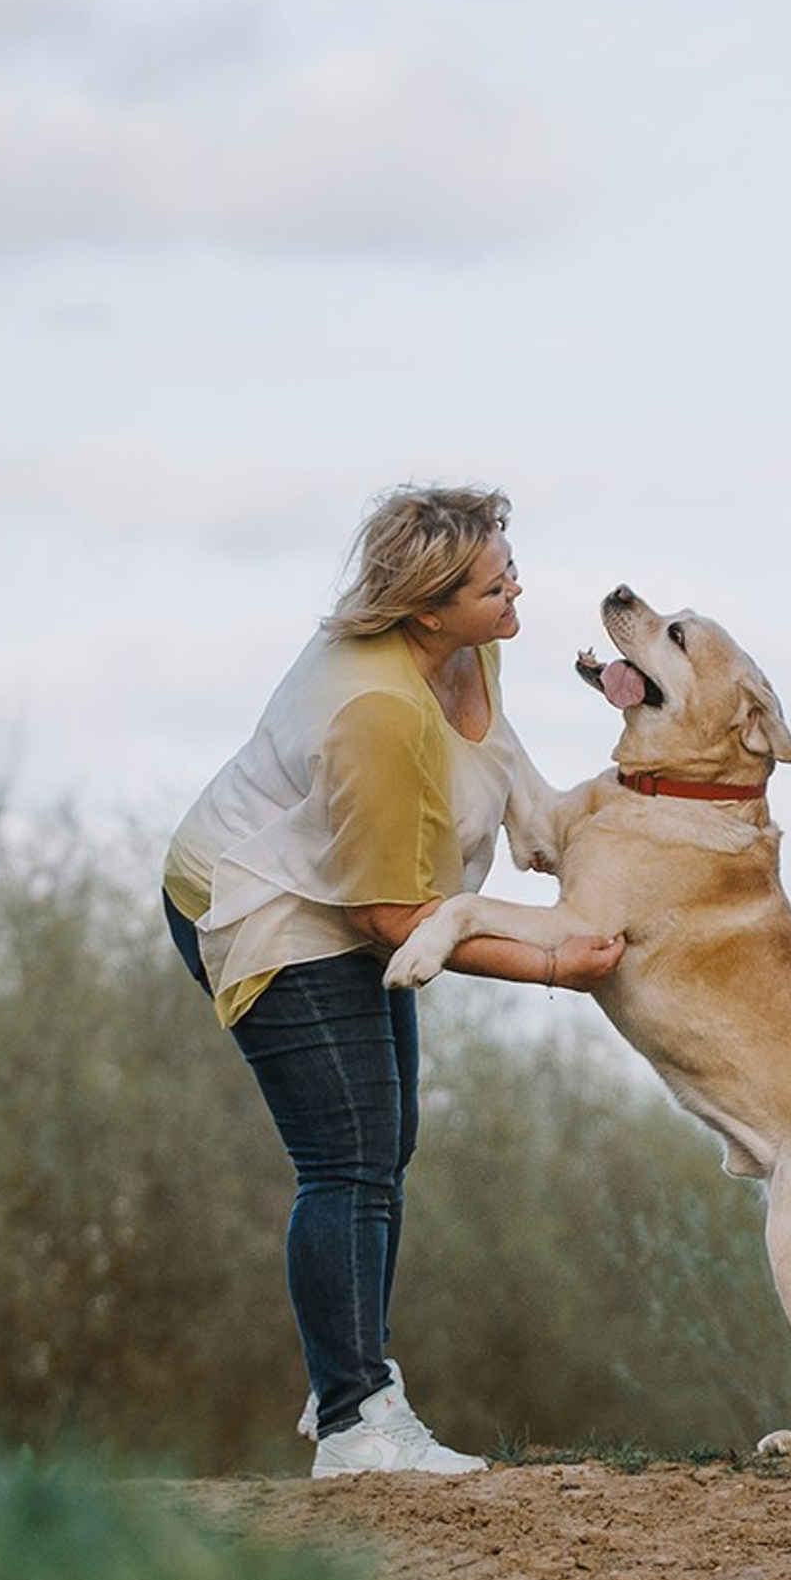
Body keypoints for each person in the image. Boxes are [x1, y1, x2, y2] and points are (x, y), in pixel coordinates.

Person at [162, 485, 623, 1477]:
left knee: (386, 1139)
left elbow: (493, 764)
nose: (516, 592)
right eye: (495, 583)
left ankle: (349, 1373)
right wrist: (549, 962)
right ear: (425, 606)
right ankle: (353, 1422)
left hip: (355, 891)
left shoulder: (472, 643)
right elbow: (387, 920)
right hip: (266, 906)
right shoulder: (376, 711)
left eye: (512, 569)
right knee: (348, 1154)